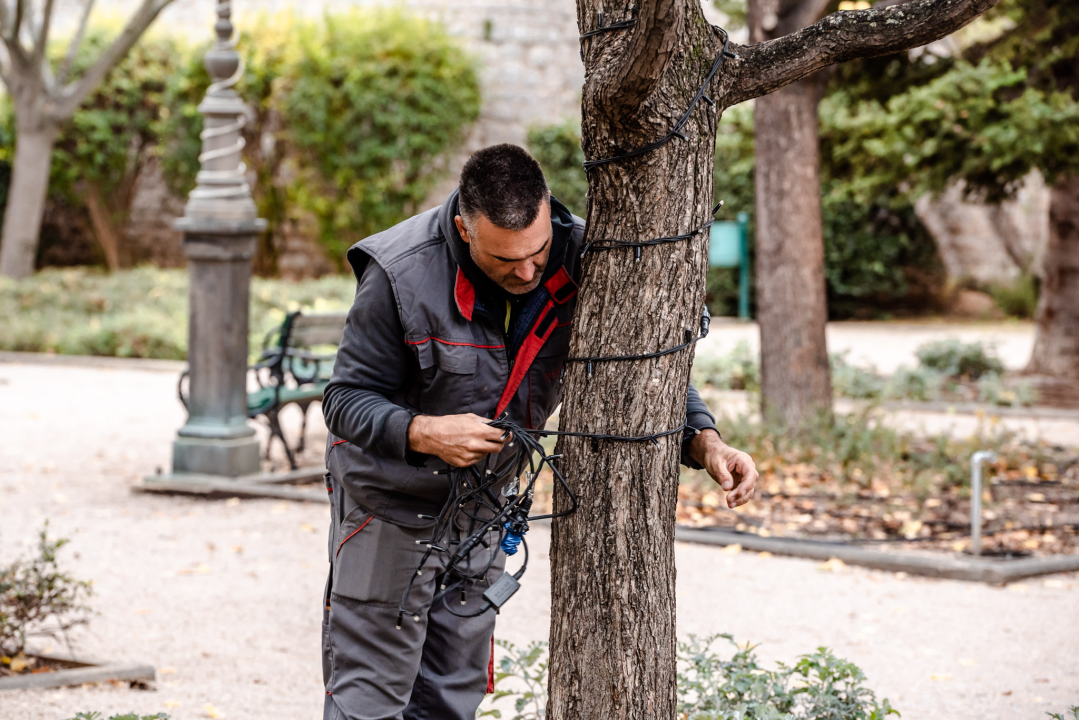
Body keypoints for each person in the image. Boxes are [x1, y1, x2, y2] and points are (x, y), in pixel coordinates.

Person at [320, 144, 758, 720]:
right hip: (389, 510)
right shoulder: (399, 273)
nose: (527, 272)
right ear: (465, 230)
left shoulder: (583, 254)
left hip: (483, 513)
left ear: (549, 210)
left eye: (538, 252)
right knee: (369, 701)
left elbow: (639, 370)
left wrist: (704, 439)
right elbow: (344, 400)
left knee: (451, 698)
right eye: (505, 260)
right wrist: (423, 432)